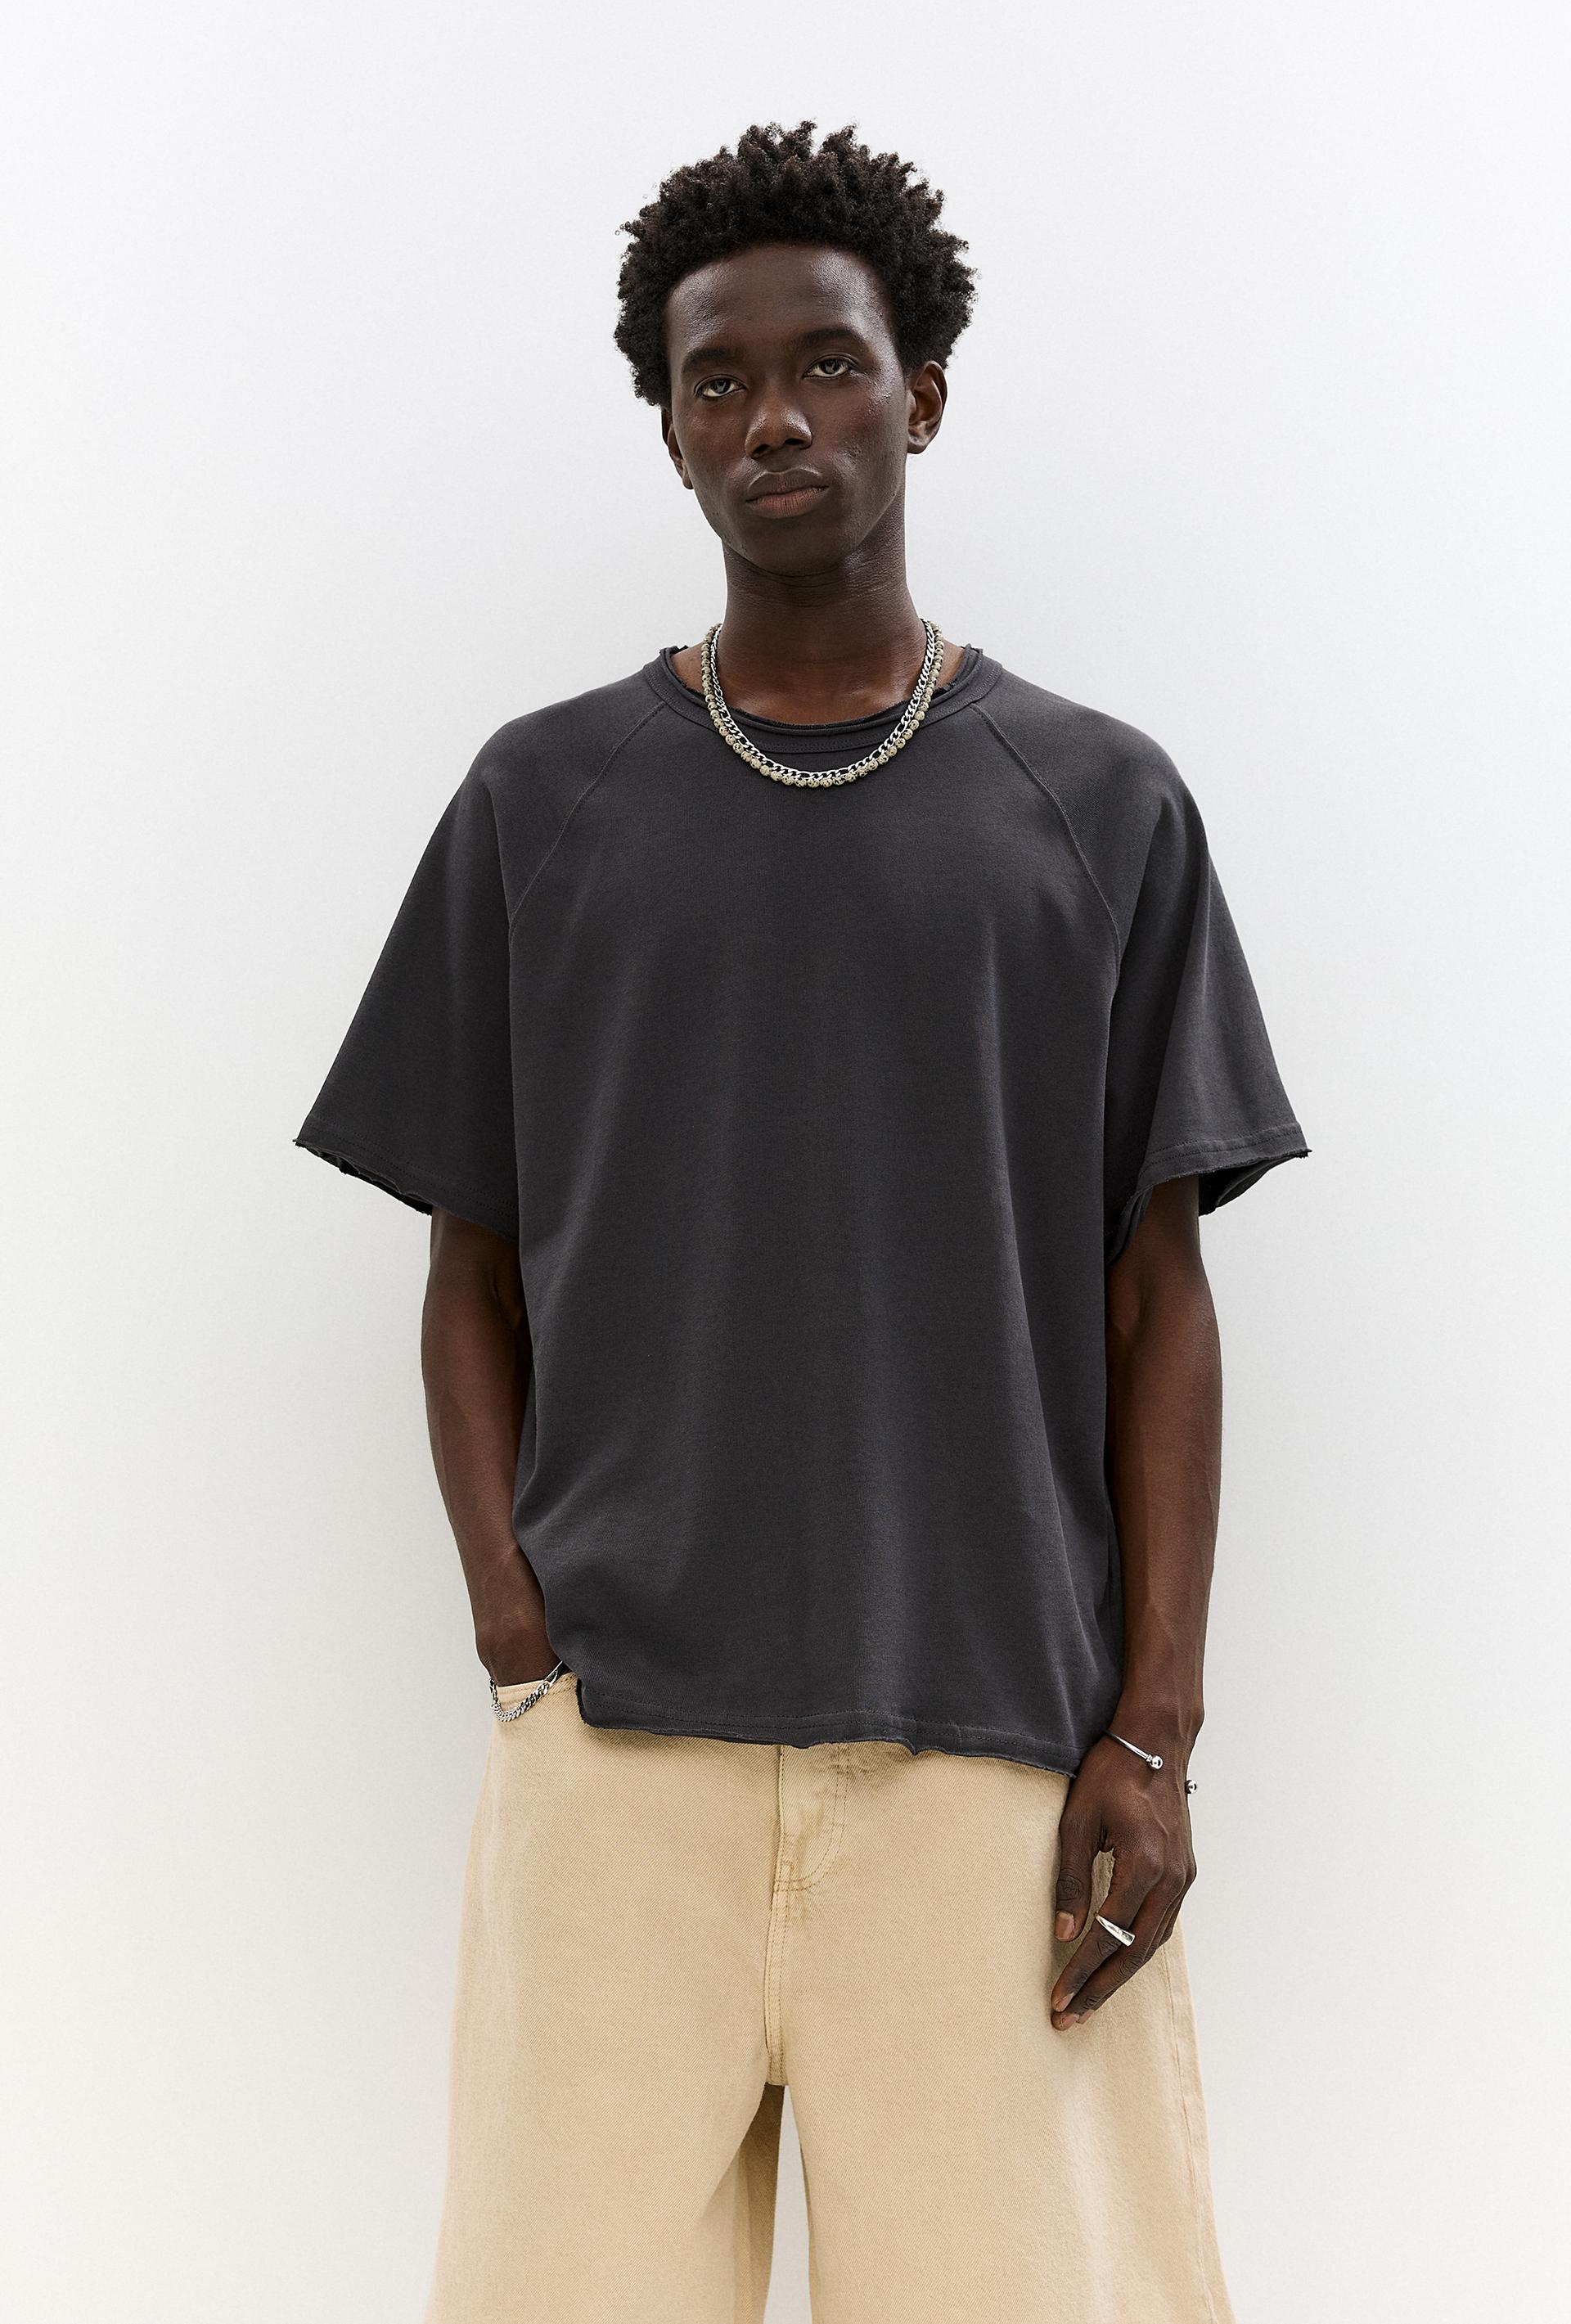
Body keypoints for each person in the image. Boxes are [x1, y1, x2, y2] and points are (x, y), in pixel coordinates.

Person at [295, 119, 1308, 2324]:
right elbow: (469, 1262)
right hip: (621, 1748)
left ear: (921, 393)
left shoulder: (1097, 807)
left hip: (990, 1752)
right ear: (668, 427)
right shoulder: (542, 801)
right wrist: (515, 1632)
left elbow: (1163, 1299)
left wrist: (1152, 1733)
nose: (775, 417)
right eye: (718, 378)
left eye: (828, 364)